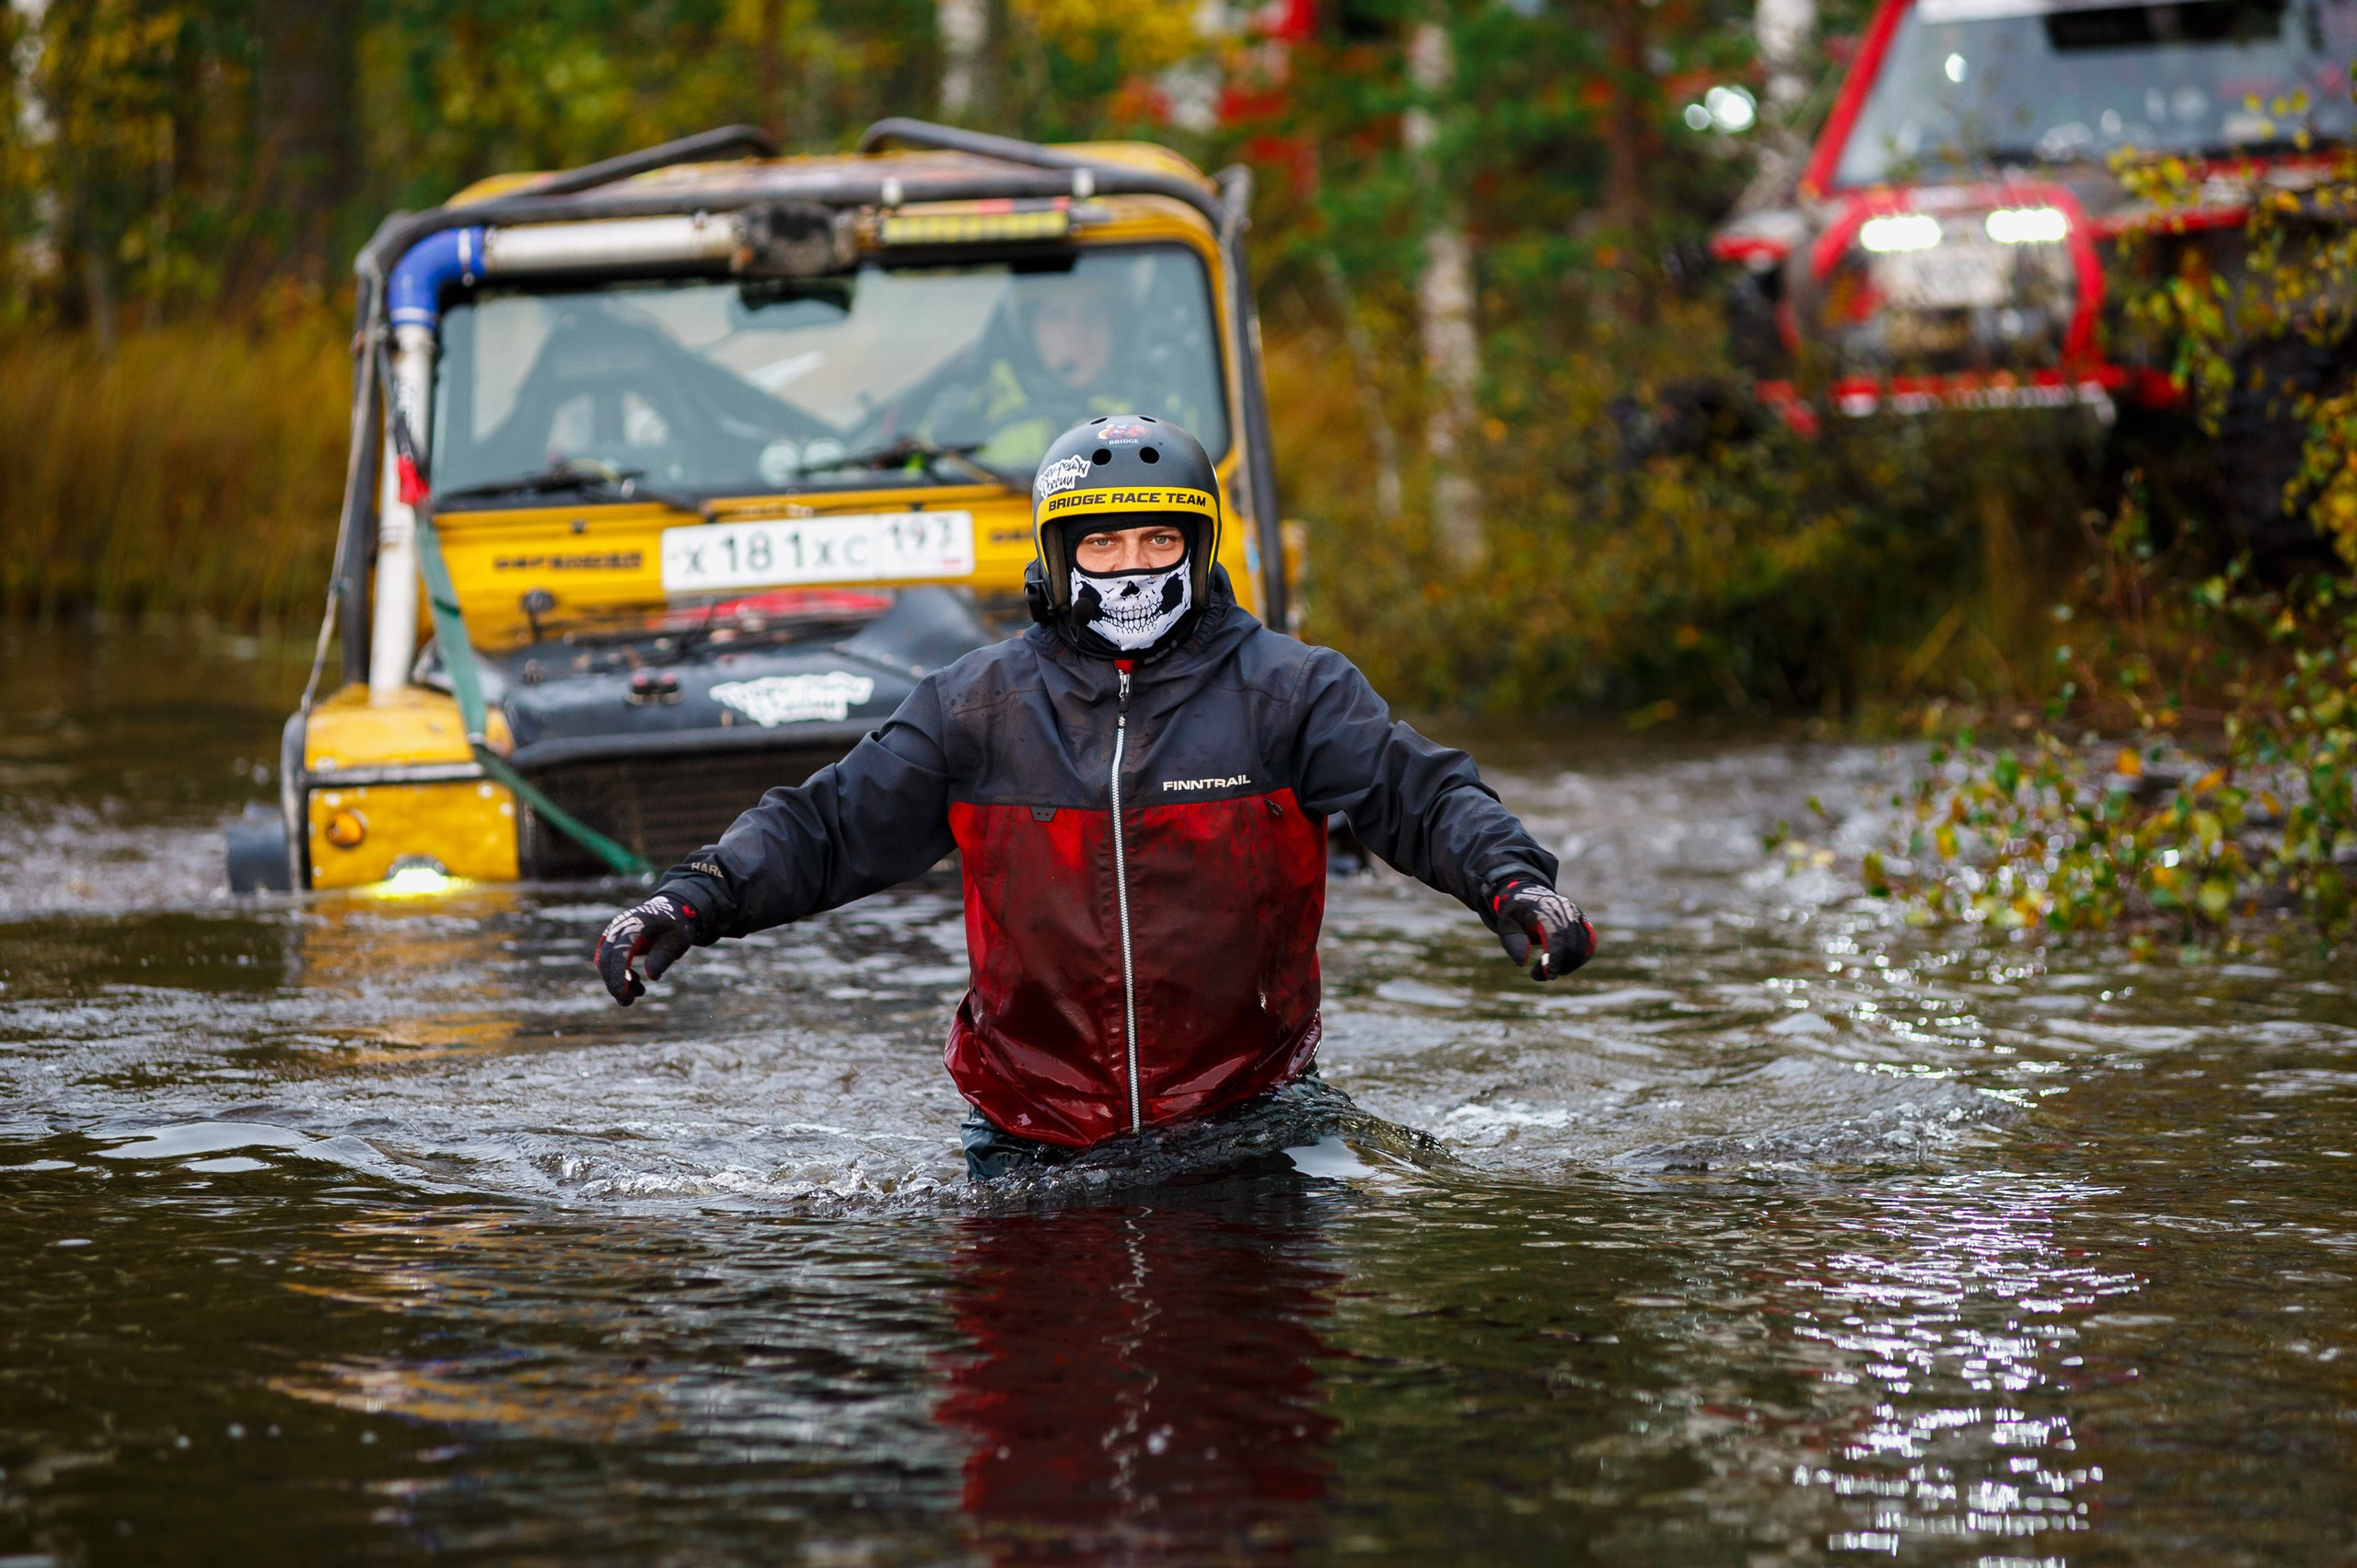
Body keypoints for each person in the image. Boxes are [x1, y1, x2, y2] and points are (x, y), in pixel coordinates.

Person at [594, 414, 1595, 1179]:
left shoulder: (1291, 689)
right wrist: (691, 898)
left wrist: (1513, 883)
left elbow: (1418, 795)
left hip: (1248, 1119)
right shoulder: (974, 705)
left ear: (1197, 551)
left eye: (1155, 541)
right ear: (1056, 555)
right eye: (1100, 546)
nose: (1128, 568)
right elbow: (826, 824)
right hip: (1026, 1132)